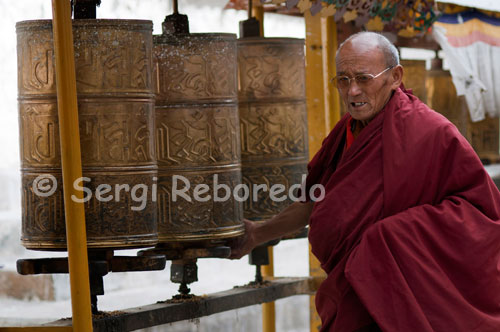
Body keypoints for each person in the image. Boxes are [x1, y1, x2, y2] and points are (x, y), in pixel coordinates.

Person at [230, 31, 500, 332]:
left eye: (363, 78)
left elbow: (482, 215)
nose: (352, 91)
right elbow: (318, 201)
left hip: (403, 293)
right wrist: (258, 233)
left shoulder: (431, 132)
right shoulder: (346, 133)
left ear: (395, 76)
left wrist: (390, 238)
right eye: (342, 80)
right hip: (353, 288)